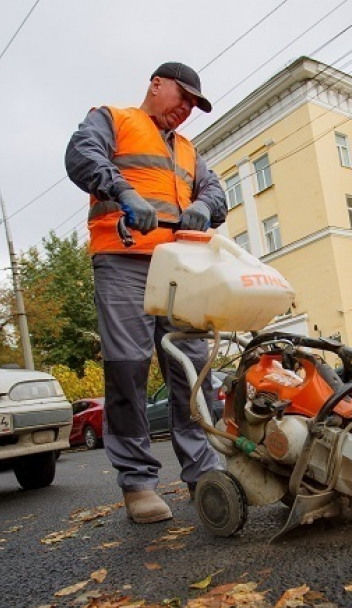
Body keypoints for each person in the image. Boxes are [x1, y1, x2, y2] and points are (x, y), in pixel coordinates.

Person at [65, 62, 227, 523]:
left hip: (179, 264)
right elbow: (81, 155)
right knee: (128, 366)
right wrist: (122, 192)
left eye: (194, 105)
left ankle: (204, 471)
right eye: (183, 96)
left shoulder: (191, 151)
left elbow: (216, 193)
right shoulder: (112, 119)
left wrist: (202, 207)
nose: (186, 109)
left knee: (193, 367)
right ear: (157, 84)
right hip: (123, 257)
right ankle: (138, 482)